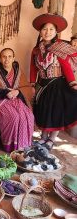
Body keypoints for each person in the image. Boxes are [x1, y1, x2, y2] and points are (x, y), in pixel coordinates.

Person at [30, 13, 77, 150]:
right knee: (44, 112)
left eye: (51, 29)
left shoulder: (59, 47)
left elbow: (66, 67)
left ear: (56, 32)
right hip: (43, 85)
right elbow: (33, 68)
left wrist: (72, 83)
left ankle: (51, 139)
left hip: (57, 85)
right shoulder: (36, 50)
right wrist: (32, 83)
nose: (48, 32)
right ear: (40, 31)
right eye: (45, 29)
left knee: (56, 112)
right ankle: (43, 138)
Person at [0, 48, 34, 152]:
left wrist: (18, 92)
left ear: (13, 58)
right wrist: (5, 92)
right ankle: (11, 145)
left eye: (10, 56)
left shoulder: (18, 71)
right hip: (2, 102)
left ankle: (23, 144)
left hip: (18, 100)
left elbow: (27, 87)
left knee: (28, 115)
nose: (7, 59)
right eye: (4, 57)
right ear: (0, 59)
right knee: (14, 117)